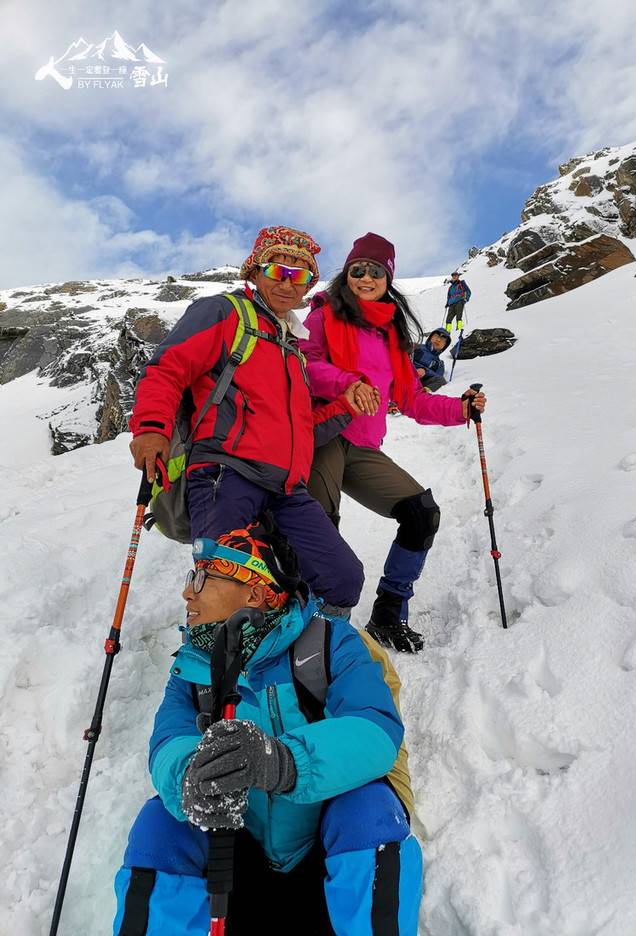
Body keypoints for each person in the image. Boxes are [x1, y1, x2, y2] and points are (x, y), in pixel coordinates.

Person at [112, 523, 422, 935]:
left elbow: (376, 731)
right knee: (161, 825)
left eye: (203, 578)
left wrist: (282, 762)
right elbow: (169, 740)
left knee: (370, 810)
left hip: (324, 853)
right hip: (234, 853)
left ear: (254, 591)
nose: (188, 592)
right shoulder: (192, 668)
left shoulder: (333, 644)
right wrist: (192, 775)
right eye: (191, 577)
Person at [128, 225, 364, 616]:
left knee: (342, 578)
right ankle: (213, 673)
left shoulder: (293, 347)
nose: (289, 283)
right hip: (226, 474)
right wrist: (152, 428)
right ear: (254, 272)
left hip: (287, 488)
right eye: (278, 270)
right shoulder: (224, 312)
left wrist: (346, 407)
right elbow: (167, 370)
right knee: (223, 592)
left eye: (300, 275)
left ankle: (312, 654)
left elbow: (301, 426)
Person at [299, 232, 486, 653]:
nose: (365, 277)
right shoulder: (324, 315)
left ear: (388, 279)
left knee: (421, 513)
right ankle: (312, 633)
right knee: (320, 533)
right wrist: (346, 382)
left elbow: (413, 400)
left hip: (363, 447)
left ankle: (388, 611)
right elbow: (304, 364)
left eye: (375, 271)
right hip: (323, 434)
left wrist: (461, 410)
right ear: (346, 275)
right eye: (357, 270)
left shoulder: (392, 336)